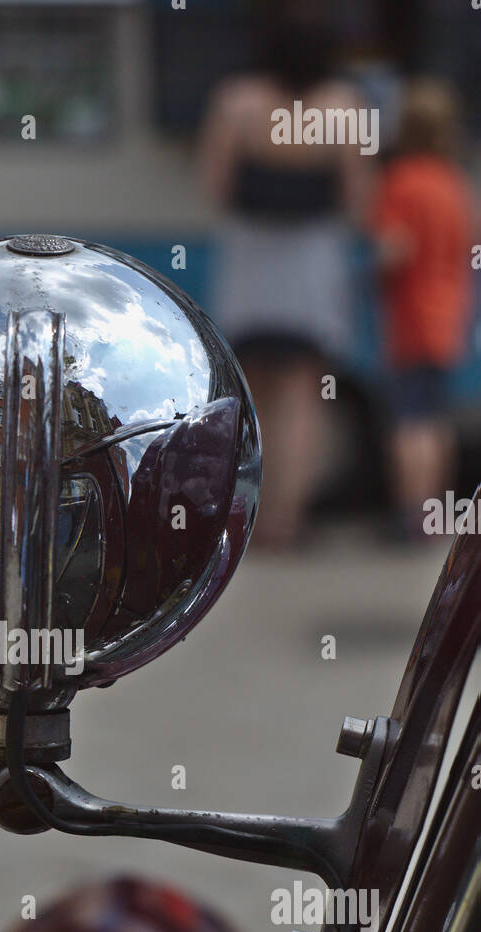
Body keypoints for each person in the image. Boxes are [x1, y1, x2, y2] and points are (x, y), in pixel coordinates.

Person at [199, 6, 369, 547]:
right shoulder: (344, 104)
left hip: (252, 259)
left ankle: (246, 518)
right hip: (312, 262)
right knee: (303, 396)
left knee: (250, 393)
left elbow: (217, 185)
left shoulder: (237, 100)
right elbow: (360, 200)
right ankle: (286, 523)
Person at [371, 79, 474, 540]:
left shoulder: (402, 181)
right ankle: (436, 514)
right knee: (436, 418)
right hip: (450, 315)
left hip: (412, 316)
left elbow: (395, 251)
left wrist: (368, 276)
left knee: (408, 420)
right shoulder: (456, 183)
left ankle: (410, 515)